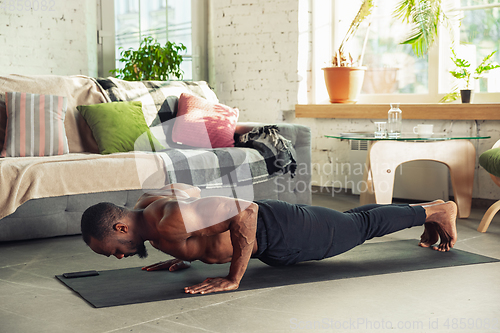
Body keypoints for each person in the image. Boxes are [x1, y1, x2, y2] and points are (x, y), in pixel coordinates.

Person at [81, 183, 457, 295]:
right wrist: (186, 254)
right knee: (352, 220)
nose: (117, 257)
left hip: (281, 231)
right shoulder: (148, 205)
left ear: (120, 229)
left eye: (113, 251)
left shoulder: (167, 220)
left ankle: (438, 211)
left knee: (358, 228)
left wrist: (233, 278)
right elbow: (189, 191)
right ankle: (431, 208)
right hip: (277, 233)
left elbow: (244, 211)